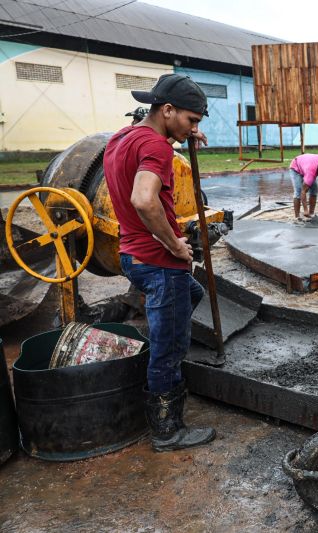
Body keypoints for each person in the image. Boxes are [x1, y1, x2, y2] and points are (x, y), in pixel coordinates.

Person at [104, 73, 216, 452]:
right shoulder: (158, 149)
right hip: (159, 261)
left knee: (191, 295)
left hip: (131, 254)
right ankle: (167, 430)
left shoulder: (123, 137)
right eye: (192, 121)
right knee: (170, 348)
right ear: (167, 110)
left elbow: (150, 141)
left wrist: (181, 135)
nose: (194, 128)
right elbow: (143, 200)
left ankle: (160, 337)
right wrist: (174, 246)